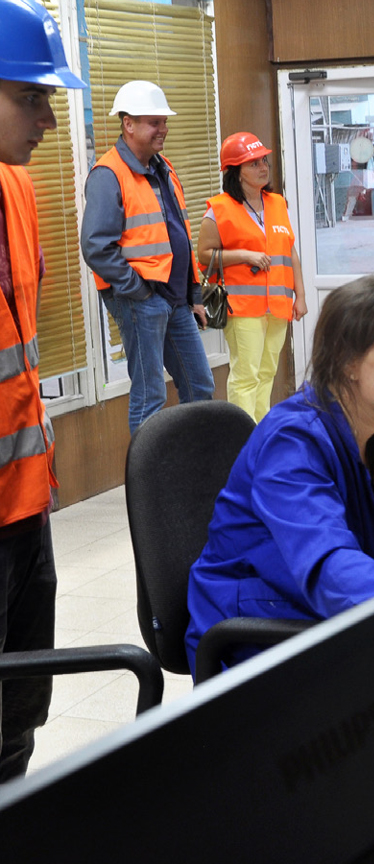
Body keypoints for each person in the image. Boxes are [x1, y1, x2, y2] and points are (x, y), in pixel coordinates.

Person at [185, 276, 374, 679]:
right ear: (349, 360)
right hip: (259, 646)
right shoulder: (292, 443)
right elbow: (330, 569)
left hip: (324, 624)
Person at [0, 0, 85, 783]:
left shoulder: (19, 189)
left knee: (20, 702)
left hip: (24, 499)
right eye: (33, 97)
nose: (49, 120)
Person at [82, 79, 213, 435]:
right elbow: (95, 246)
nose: (163, 129)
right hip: (141, 300)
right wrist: (138, 290)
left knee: (200, 387)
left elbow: (179, 235)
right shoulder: (108, 175)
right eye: (155, 122)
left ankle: (191, 468)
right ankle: (147, 486)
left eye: (164, 122)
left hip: (175, 300)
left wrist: (193, 296)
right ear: (129, 124)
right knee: (150, 396)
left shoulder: (163, 167)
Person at [198, 132, 307, 421]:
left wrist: (301, 296)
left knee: (267, 373)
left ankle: (261, 435)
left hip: (279, 305)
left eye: (264, 161)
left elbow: (290, 252)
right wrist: (245, 255)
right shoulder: (219, 209)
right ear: (236, 172)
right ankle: (243, 440)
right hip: (243, 306)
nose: (263, 167)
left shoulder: (277, 203)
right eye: (253, 163)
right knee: (246, 375)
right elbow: (204, 255)